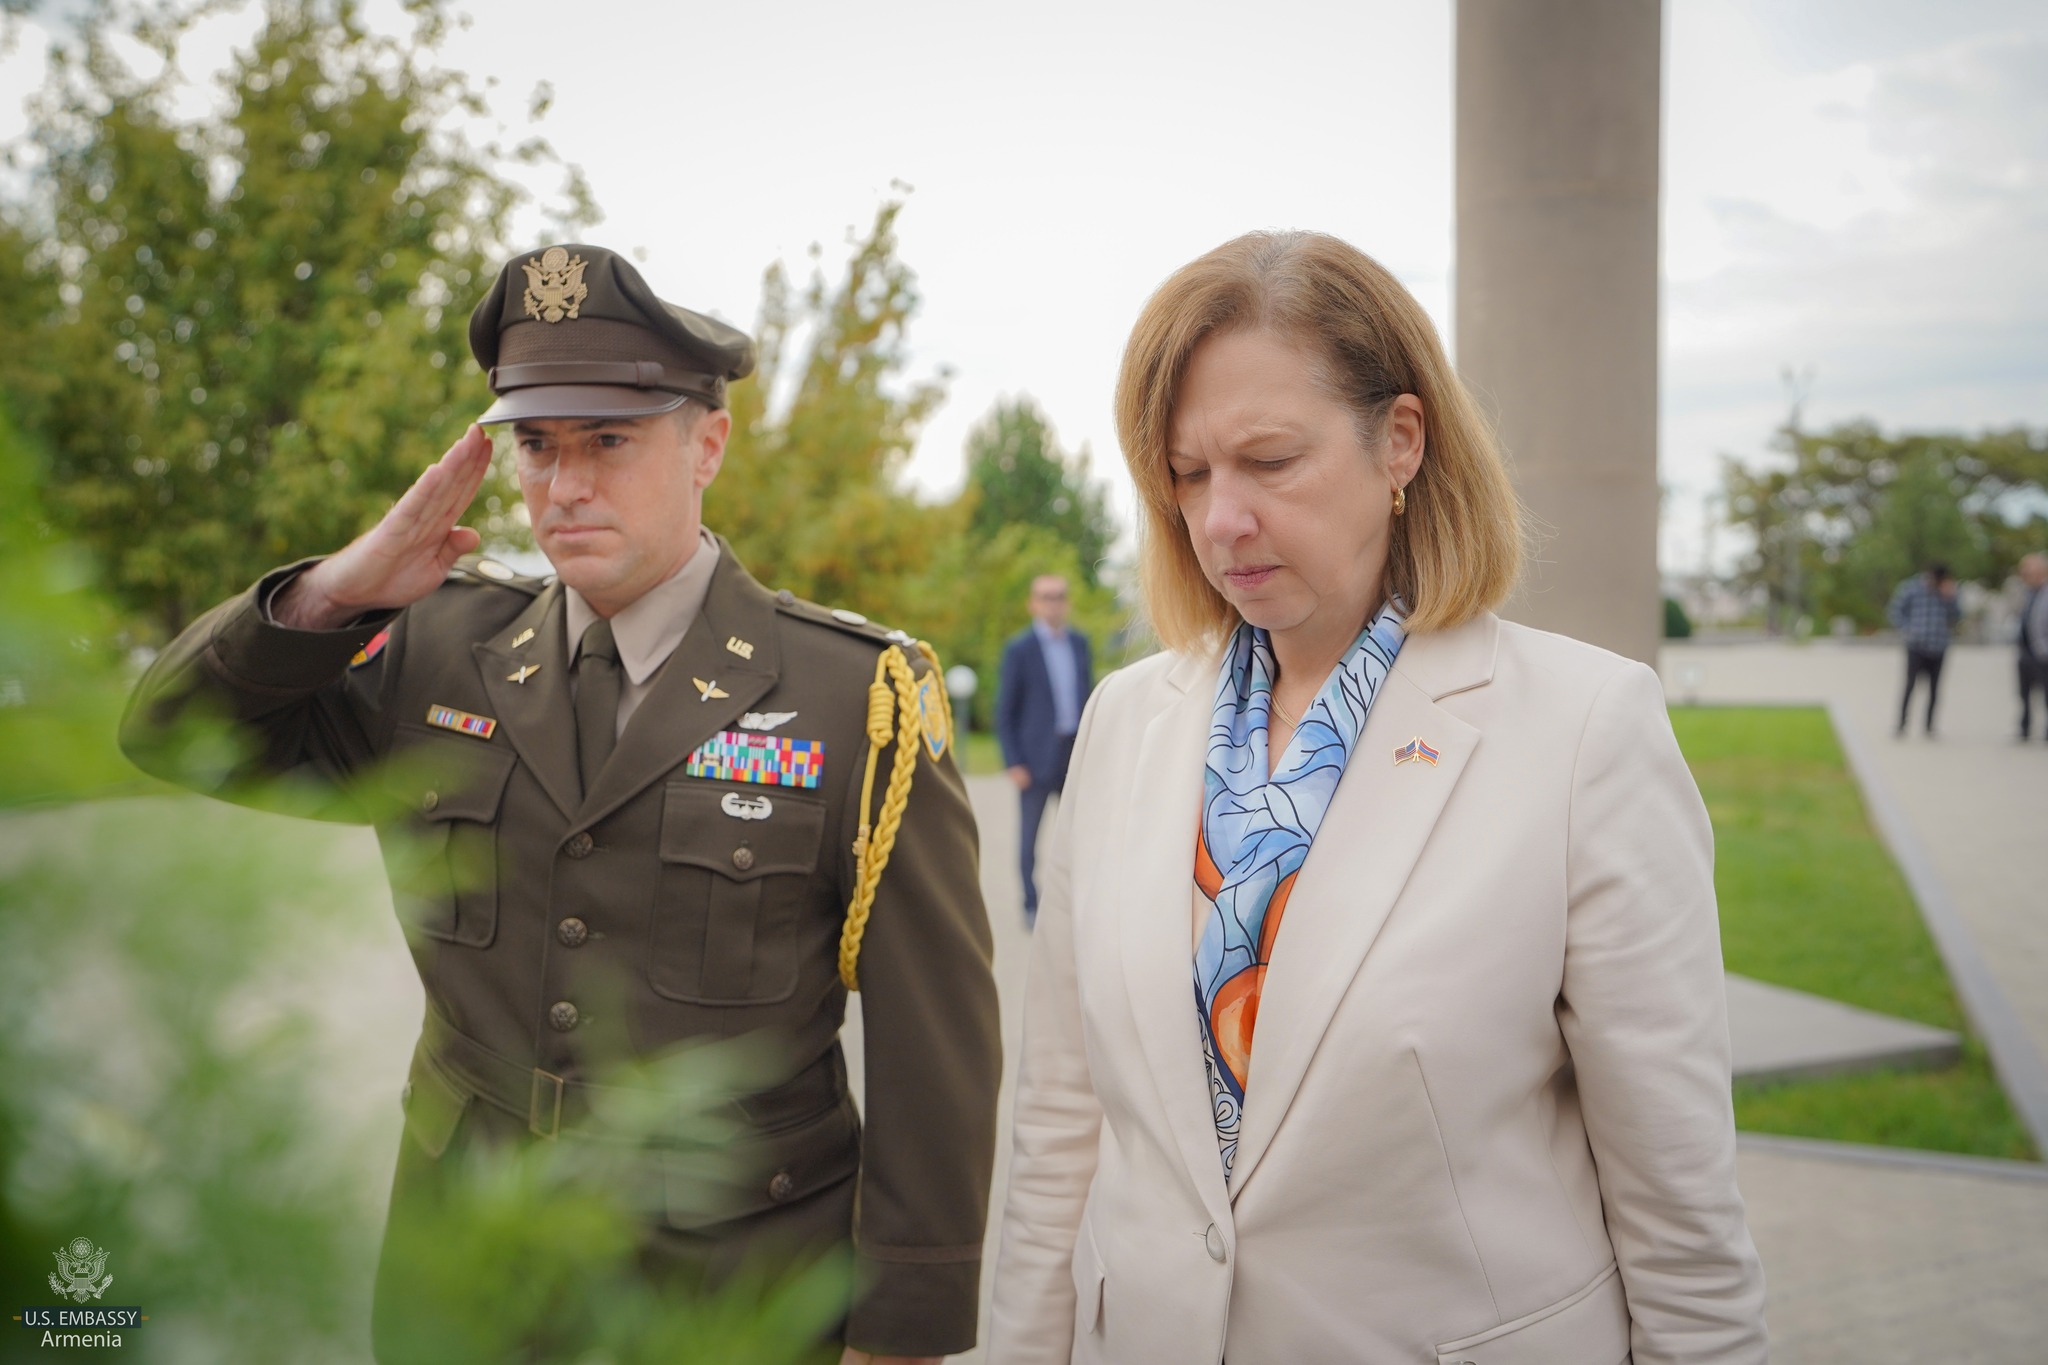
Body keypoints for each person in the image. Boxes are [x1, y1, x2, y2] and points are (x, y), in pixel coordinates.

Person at [120, 245, 1000, 1363]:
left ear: (707, 446)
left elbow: (937, 1051)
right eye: (534, 445)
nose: (564, 485)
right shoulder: (437, 650)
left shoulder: (850, 697)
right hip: (469, 1273)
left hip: (726, 1294)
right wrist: (333, 590)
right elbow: (174, 738)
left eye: (609, 441)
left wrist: (900, 1336)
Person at [987, 232, 1766, 1363]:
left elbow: (1680, 1216)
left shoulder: (1583, 729)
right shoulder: (1121, 722)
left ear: (1400, 440)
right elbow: (1059, 1128)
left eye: (1268, 461)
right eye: (1188, 473)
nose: (1219, 521)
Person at [997, 574, 1094, 925]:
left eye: (1059, 596)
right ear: (1033, 603)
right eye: (1045, 597)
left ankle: (1074, 904)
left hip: (1073, 755)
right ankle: (1029, 904)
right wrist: (1014, 762)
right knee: (1029, 839)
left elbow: (1089, 698)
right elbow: (1005, 710)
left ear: (1066, 602)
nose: (1053, 602)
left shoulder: (1080, 643)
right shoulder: (1019, 649)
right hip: (1034, 761)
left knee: (1079, 836)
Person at [1888, 562, 1962, 736]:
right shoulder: (1911, 588)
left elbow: (1957, 616)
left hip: (1939, 646)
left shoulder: (1948, 592)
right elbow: (1894, 611)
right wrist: (1909, 629)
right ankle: (1902, 723)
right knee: (1909, 686)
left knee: (1935, 689)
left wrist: (1949, 598)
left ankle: (1929, 725)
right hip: (1916, 645)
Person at [2017, 553, 2048, 740]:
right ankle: (2025, 728)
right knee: (2024, 693)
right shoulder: (2026, 592)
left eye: (2029, 569)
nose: (2025, 573)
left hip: (2043, 651)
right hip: (2025, 650)